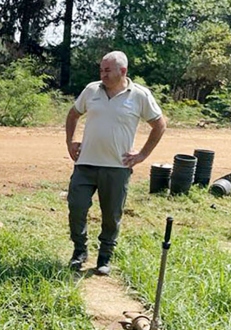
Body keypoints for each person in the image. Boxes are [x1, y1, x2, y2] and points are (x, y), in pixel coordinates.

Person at [66, 51, 166, 275]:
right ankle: (79, 251)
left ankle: (105, 257)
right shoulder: (91, 90)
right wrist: (70, 141)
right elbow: (73, 114)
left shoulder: (139, 95)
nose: (103, 74)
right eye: (101, 69)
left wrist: (142, 155)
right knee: (76, 207)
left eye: (107, 70)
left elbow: (159, 125)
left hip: (117, 167)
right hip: (85, 163)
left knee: (111, 215)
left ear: (123, 71)